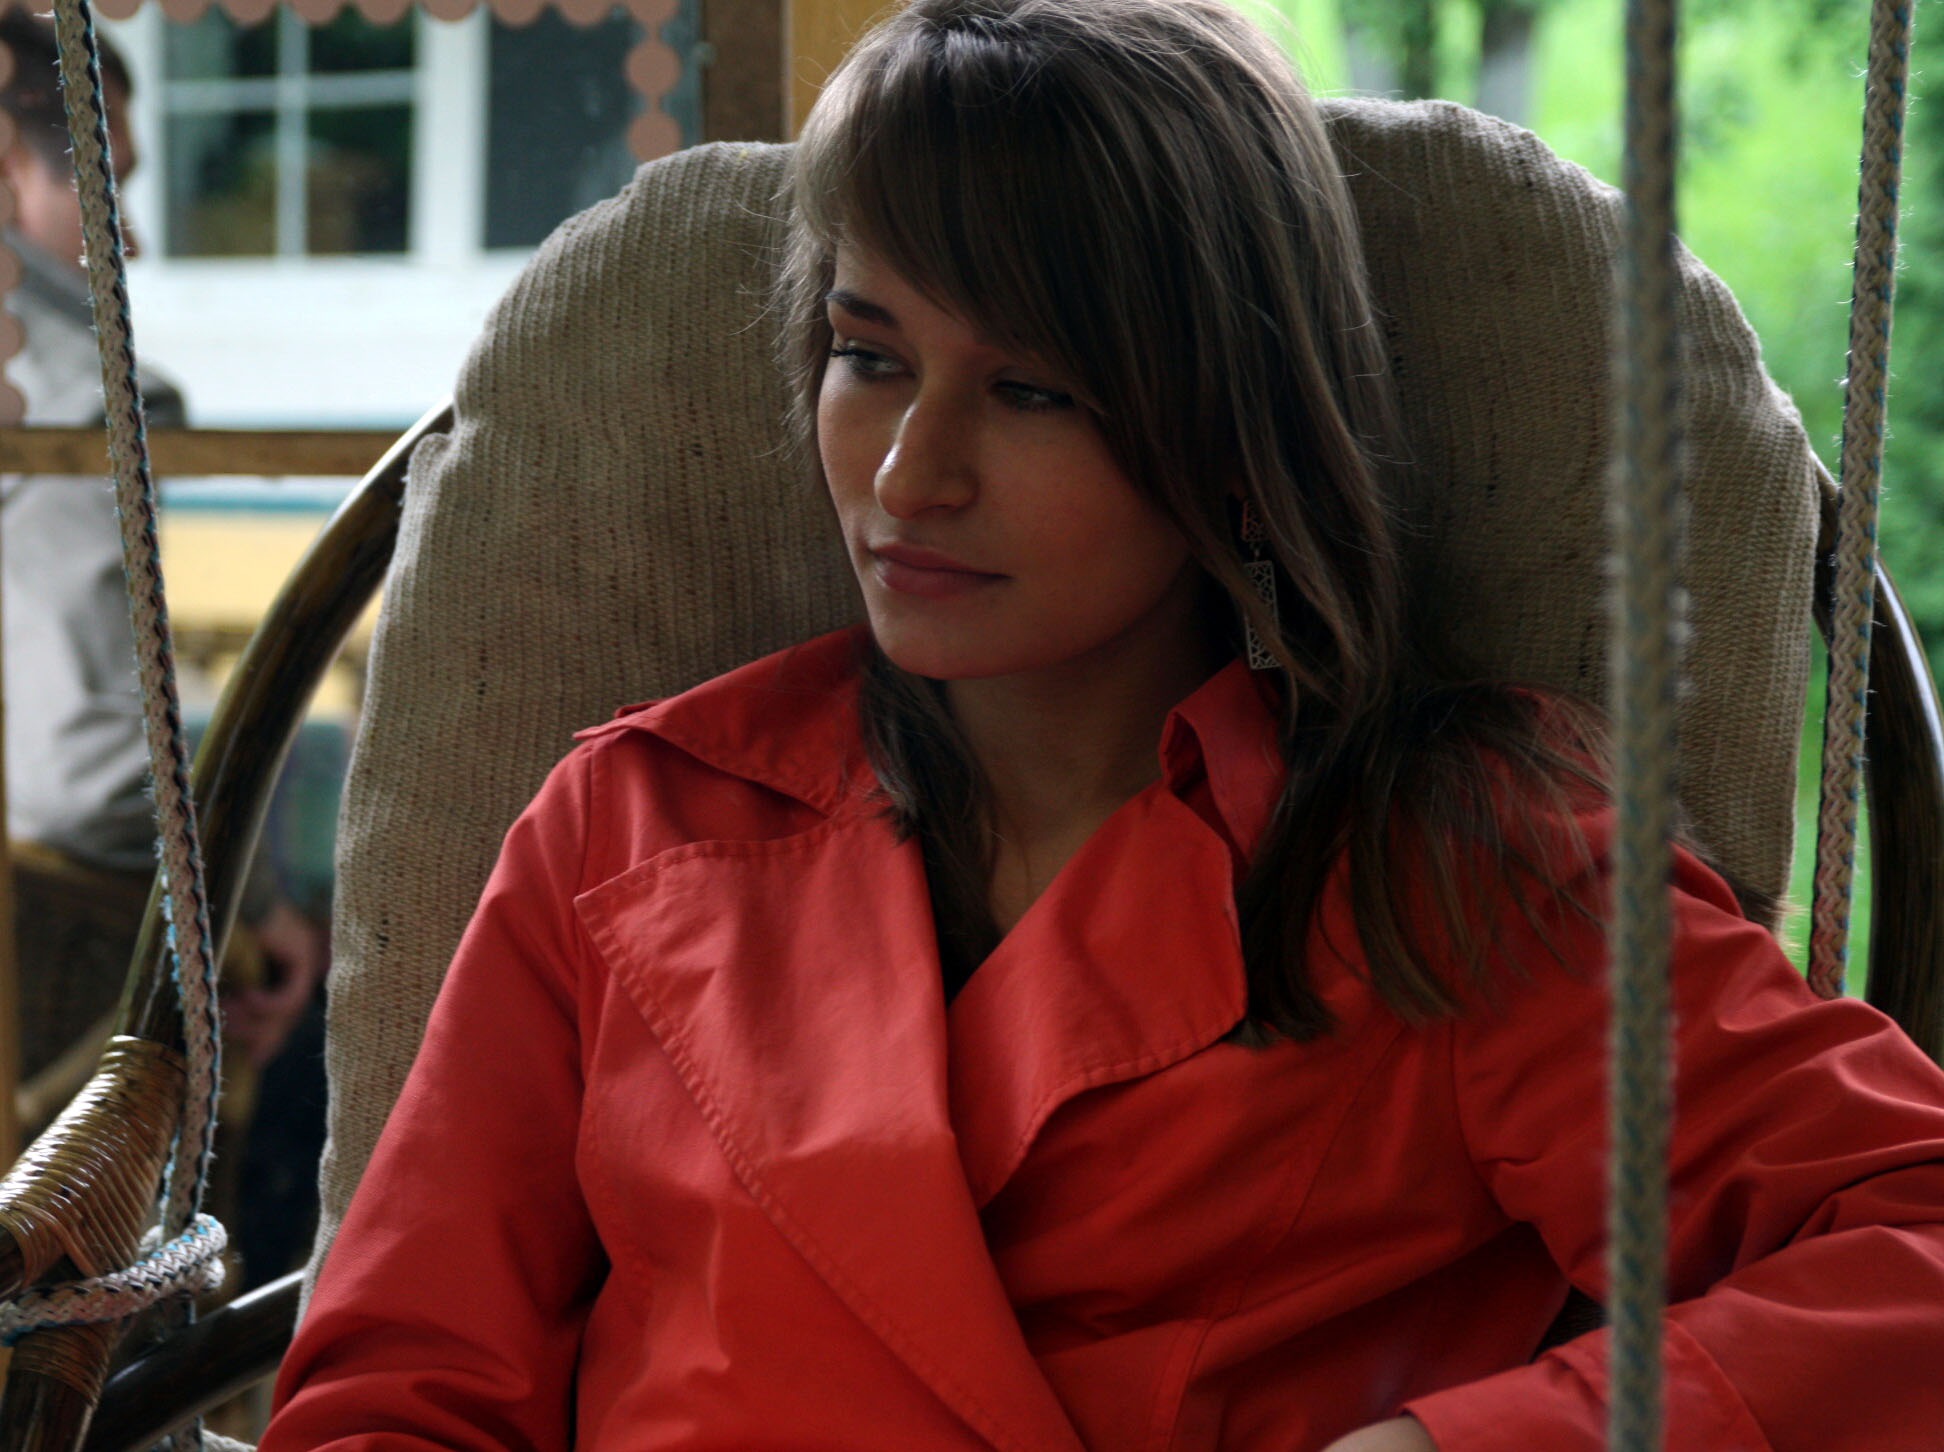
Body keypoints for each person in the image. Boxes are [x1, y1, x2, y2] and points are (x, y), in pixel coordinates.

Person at [261, 1, 1944, 1447]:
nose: (909, 474)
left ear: (1231, 431)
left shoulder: (1452, 864)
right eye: (868, 357)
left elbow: (1913, 1246)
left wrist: (1450, 1444)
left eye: (1030, 391)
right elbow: (398, 1390)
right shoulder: (628, 823)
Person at [0, 10, 326, 1081]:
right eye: (105, 193)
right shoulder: (75, 401)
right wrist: (255, 900)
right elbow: (86, 771)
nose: (127, 241)